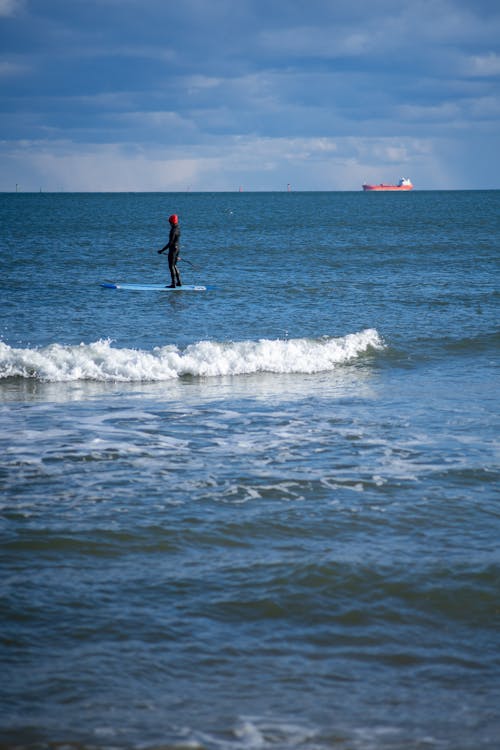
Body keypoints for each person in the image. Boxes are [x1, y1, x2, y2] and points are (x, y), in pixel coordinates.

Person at [158, 214, 182, 287]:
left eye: (169, 222)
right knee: (174, 265)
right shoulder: (178, 228)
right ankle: (179, 282)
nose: (169, 223)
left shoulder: (173, 230)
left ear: (171, 222)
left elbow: (170, 242)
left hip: (173, 250)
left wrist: (162, 250)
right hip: (178, 249)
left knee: (171, 266)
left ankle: (173, 284)